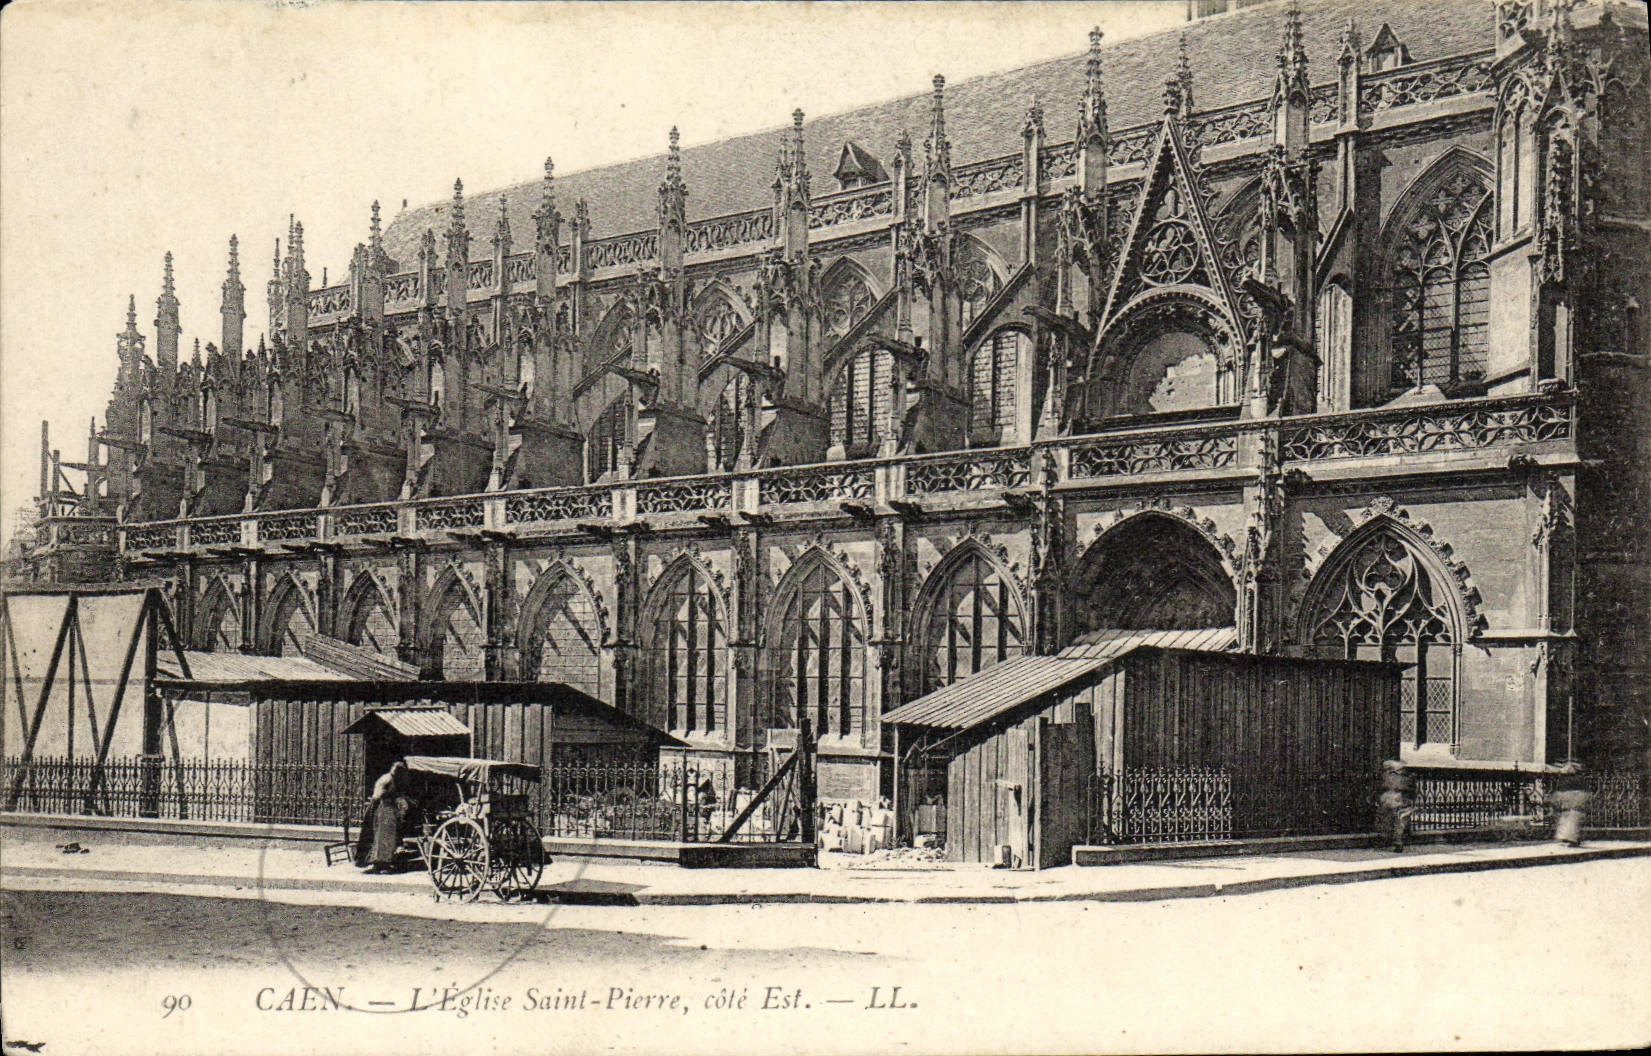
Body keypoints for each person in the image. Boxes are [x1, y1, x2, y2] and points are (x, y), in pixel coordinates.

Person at [364, 761, 408, 874]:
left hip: (389, 811)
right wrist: (393, 796)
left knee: (389, 839)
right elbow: (378, 795)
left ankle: (386, 862)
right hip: (384, 810)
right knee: (382, 838)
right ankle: (380, 863)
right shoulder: (387, 779)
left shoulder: (392, 779)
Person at [1378, 759, 1417, 853]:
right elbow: (1410, 789)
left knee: (1392, 821)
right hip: (1398, 800)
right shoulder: (1403, 777)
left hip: (1390, 799)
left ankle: (1392, 840)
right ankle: (1397, 841)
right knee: (1399, 822)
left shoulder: (1386, 776)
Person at [1551, 761, 1592, 848]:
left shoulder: (1565, 780)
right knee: (1571, 822)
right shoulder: (1579, 780)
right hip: (1574, 805)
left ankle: (1571, 840)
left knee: (1570, 822)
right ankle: (1571, 839)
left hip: (1571, 804)